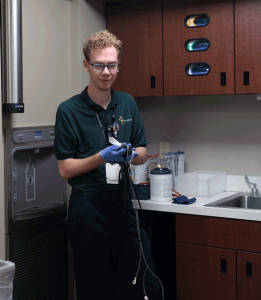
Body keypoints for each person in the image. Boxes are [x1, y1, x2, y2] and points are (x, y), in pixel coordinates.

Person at [54, 30, 161, 300]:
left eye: (112, 65)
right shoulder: (69, 111)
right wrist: (101, 157)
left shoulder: (127, 102)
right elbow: (65, 169)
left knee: (141, 281)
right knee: (95, 286)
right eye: (99, 65)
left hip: (123, 205)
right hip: (88, 209)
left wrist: (130, 154)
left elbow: (142, 151)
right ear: (86, 65)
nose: (106, 72)